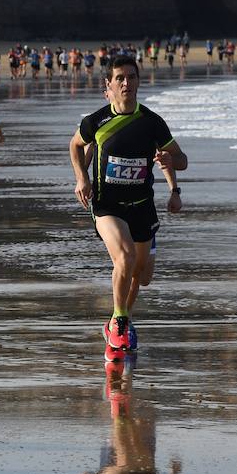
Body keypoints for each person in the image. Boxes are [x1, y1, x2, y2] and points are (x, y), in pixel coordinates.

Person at [68, 55, 187, 359]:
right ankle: (121, 322)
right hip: (108, 205)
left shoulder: (152, 122)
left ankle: (115, 322)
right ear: (108, 84)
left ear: (138, 82)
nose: (126, 83)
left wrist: (173, 175)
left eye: (131, 77)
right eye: (119, 78)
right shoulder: (95, 121)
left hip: (142, 207)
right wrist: (82, 178)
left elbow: (181, 159)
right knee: (125, 256)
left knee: (141, 275)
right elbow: (75, 145)